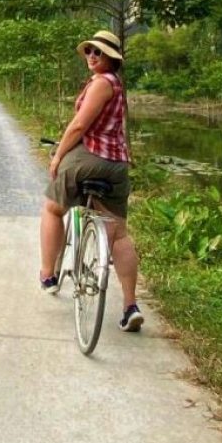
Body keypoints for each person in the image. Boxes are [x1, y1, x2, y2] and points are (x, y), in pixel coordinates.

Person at [39, 29, 143, 332]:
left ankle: (48, 273)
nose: (92, 57)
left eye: (99, 52)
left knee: (52, 208)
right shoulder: (118, 85)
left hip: (91, 158)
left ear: (111, 58)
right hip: (117, 165)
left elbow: (80, 125)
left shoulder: (101, 83)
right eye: (89, 52)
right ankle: (130, 306)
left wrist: (58, 156)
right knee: (119, 235)